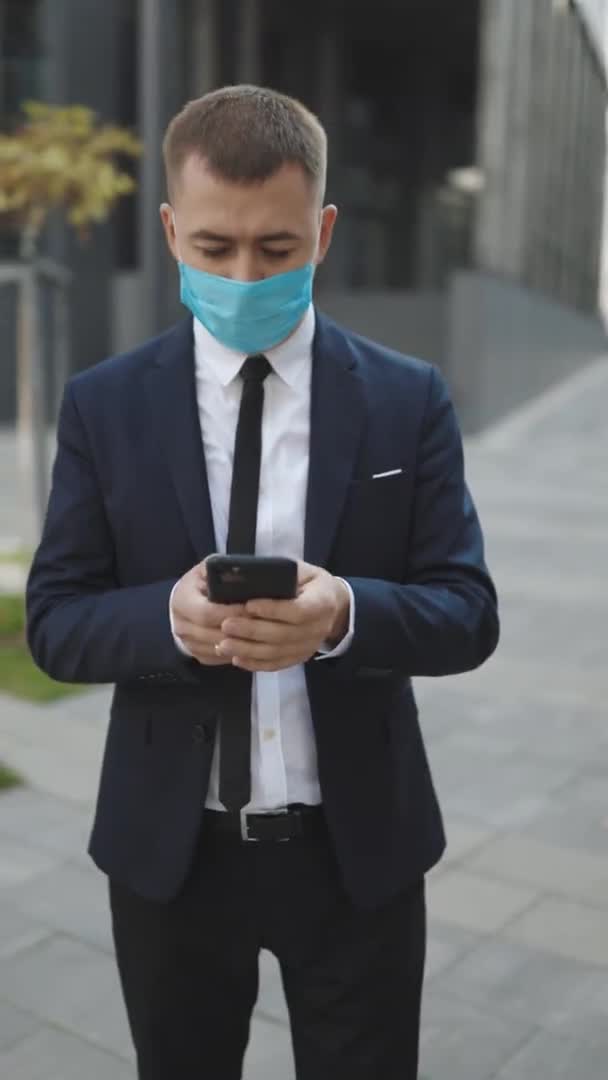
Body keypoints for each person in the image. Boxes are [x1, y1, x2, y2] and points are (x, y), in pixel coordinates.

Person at [26, 84, 499, 1080]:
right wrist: (165, 619)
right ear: (168, 231)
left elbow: (466, 612)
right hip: (172, 857)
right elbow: (57, 624)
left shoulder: (406, 402)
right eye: (213, 249)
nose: (244, 274)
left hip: (355, 854)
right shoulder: (103, 406)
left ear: (322, 231)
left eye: (275, 251)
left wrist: (343, 612)